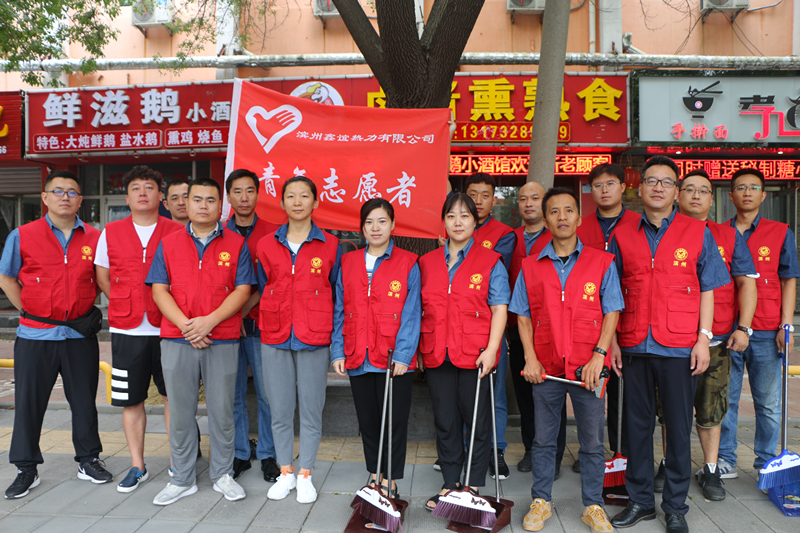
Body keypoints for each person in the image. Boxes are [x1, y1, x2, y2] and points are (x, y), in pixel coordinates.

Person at [607, 155, 729, 533]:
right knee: (637, 429)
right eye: (651, 181)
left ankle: (675, 506)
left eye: (666, 182)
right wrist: (612, 341)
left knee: (677, 429)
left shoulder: (697, 232)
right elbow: (612, 292)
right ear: (639, 188)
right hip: (633, 344)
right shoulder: (622, 234)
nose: (658, 187)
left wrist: (703, 339)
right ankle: (641, 501)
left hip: (679, 345)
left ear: (676, 192)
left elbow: (708, 288)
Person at [512, 187, 623, 533]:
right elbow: (523, 317)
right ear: (546, 220)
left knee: (592, 442)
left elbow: (612, 311)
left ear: (578, 218)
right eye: (554, 212)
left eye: (569, 210)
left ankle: (593, 505)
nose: (562, 217)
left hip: (588, 367)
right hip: (545, 369)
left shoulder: (601, 262)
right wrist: (530, 358)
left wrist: (599, 356)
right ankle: (541, 500)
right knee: (543, 439)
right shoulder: (530, 266)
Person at [0, 170, 111, 499]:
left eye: (72, 192)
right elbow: (6, 278)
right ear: (45, 198)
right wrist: (29, 310)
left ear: (80, 200)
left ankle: (88, 460)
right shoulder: (23, 235)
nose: (65, 197)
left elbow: (102, 280)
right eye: (58, 191)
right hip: (35, 336)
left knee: (84, 402)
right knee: (29, 403)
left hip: (79, 336)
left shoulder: (95, 237)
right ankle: (26, 468)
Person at [648, 169, 757, 502]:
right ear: (678, 195)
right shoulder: (660, 234)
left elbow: (746, 283)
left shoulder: (728, 236)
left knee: (711, 408)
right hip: (671, 341)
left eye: (704, 191)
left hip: (716, 340)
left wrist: (744, 327)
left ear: (713, 199)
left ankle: (711, 469)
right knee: (669, 410)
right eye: (690, 189)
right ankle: (669, 462)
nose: (696, 195)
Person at [147, 177, 255, 505]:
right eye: (197, 199)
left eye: (211, 200)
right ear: (186, 204)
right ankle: (182, 478)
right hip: (177, 339)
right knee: (181, 412)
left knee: (222, 411)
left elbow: (243, 290)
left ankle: (222, 474)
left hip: (221, 338)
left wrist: (209, 322)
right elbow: (159, 290)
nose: (204, 205)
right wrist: (187, 326)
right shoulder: (168, 243)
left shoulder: (236, 243)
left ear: (220, 205)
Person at [95, 165, 183, 493]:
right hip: (127, 330)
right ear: (127, 197)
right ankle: (137, 465)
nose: (143, 193)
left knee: (173, 397)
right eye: (136, 188)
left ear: (161, 196)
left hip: (168, 330)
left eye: (149, 187)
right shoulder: (111, 232)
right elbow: (103, 276)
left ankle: (177, 462)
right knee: (131, 400)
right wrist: (124, 301)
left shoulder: (176, 231)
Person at [419, 193, 509, 511]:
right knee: (445, 420)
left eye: (465, 216)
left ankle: (471, 485)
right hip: (437, 352)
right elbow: (420, 308)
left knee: (477, 421)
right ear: (443, 222)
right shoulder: (427, 262)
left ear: (475, 222)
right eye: (451, 216)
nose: (458, 222)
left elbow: (499, 309)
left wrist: (492, 349)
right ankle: (449, 483)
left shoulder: (491, 261)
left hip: (476, 354)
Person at [256, 176, 342, 504]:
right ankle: (285, 471)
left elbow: (337, 294)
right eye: (290, 196)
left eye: (304, 196)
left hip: (314, 336)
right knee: (278, 408)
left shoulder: (331, 245)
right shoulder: (266, 244)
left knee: (310, 408)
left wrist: (336, 343)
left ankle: (305, 473)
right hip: (274, 334)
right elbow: (264, 286)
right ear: (281, 203)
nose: (297, 201)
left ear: (315, 202)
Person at [331, 198, 421, 497]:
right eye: (369, 222)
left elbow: (412, 312)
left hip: (393, 358)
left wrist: (404, 355)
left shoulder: (408, 262)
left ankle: (390, 480)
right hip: (358, 353)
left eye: (382, 221)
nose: (375, 228)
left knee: (394, 422)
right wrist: (338, 350)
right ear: (361, 228)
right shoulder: (348, 262)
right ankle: (374, 473)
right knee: (368, 421)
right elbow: (340, 309)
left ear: (393, 224)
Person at [718, 168, 799, 485]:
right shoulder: (718, 233)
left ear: (763, 195)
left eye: (754, 187)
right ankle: (725, 460)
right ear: (731, 195)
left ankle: (766, 461)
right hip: (728, 328)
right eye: (741, 187)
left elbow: (788, 279)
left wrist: (786, 325)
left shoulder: (780, 232)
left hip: (767, 328)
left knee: (767, 402)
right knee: (727, 399)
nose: (747, 192)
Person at [576, 163, 640, 474]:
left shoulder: (638, 224)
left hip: (631, 318)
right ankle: (590, 451)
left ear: (623, 187)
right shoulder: (580, 226)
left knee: (624, 392)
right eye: (598, 185)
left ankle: (622, 452)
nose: (604, 190)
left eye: (610, 184)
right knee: (589, 389)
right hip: (587, 320)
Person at [224, 169, 281, 483]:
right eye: (237, 191)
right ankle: (240, 453)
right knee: (232, 395)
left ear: (258, 194)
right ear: (228, 197)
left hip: (262, 325)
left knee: (267, 394)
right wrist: (233, 316)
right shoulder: (218, 232)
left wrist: (243, 309)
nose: (244, 198)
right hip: (226, 329)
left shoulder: (274, 233)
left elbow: (275, 279)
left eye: (249, 191)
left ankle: (269, 454)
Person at [507, 181, 567, 476]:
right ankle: (531, 448)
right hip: (518, 326)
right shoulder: (510, 238)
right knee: (525, 393)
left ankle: (553, 454)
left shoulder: (558, 236)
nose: (528, 203)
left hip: (552, 329)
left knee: (552, 394)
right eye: (522, 198)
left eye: (534, 198)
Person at [466, 173, 516, 480]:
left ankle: (496, 451)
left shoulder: (504, 234)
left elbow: (492, 270)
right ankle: (466, 449)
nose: (478, 201)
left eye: (485, 195)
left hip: (490, 325)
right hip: (458, 324)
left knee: (494, 393)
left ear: (494, 200)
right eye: (473, 194)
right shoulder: (452, 227)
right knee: (463, 393)